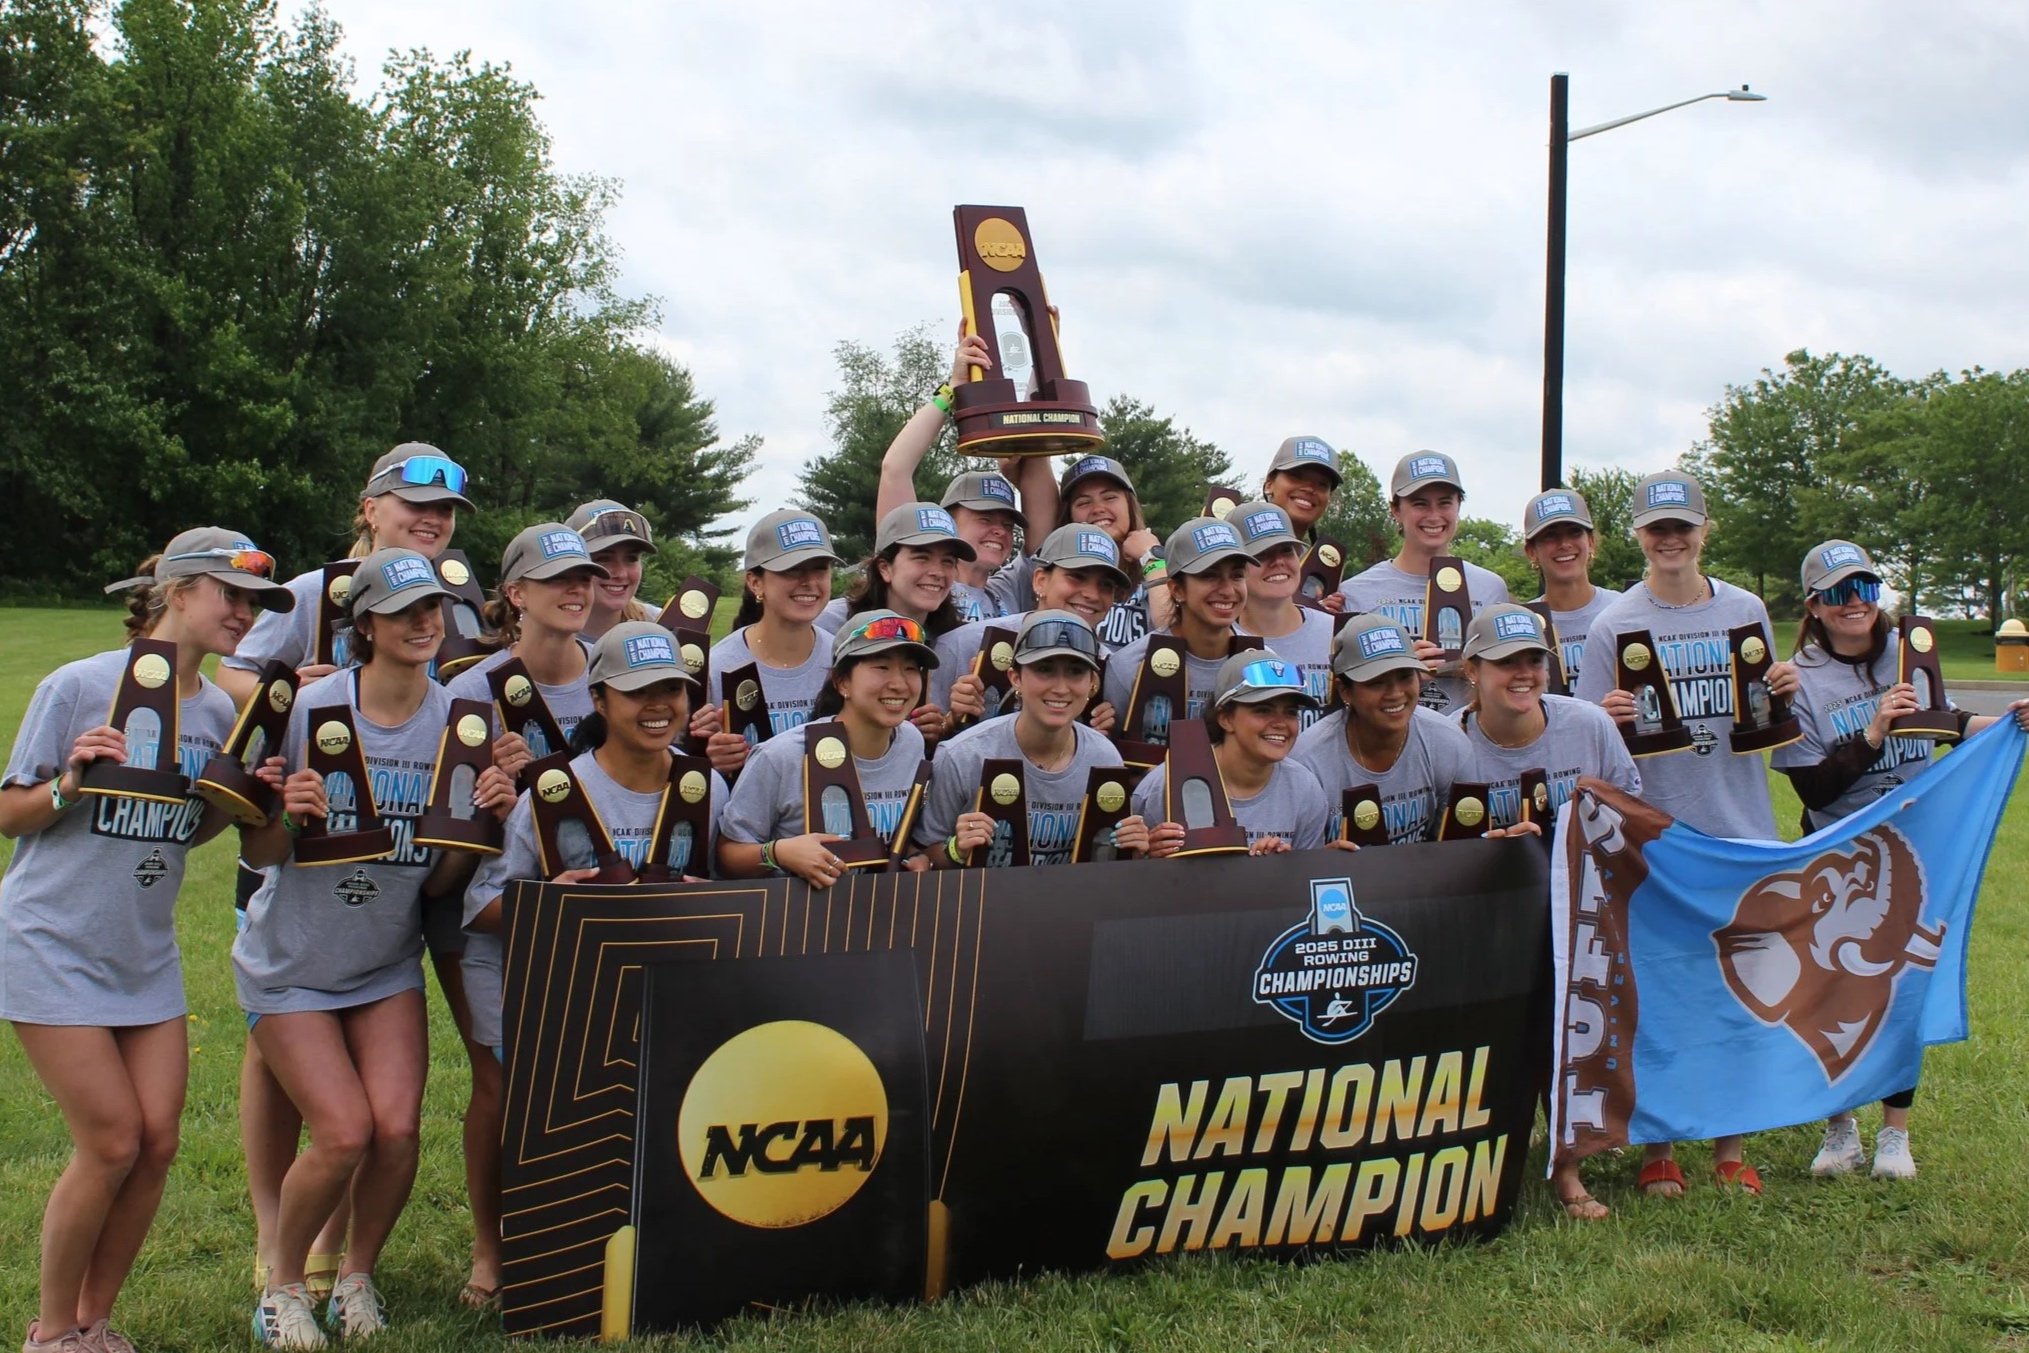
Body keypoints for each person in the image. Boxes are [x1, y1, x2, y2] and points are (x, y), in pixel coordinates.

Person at [2, 530, 291, 1353]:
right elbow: (10, 810)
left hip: (144, 955)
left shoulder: (220, 713)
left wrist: (245, 803)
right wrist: (68, 780)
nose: (244, 614)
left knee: (158, 1143)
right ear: (176, 592)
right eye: (229, 596)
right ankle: (52, 1333)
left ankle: (96, 1323)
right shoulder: (80, 685)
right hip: (50, 939)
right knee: (111, 1140)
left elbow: (185, 831)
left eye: (255, 604)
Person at [216, 443, 474, 1306]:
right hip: (302, 847)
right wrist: (295, 690)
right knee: (290, 1056)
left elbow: (466, 705)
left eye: (442, 510)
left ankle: (339, 1254)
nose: (429, 518)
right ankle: (275, 1239)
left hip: (399, 864)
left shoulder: (454, 603)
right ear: (370, 506)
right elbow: (236, 678)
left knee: (385, 1115)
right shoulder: (310, 591)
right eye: (411, 503)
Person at [459, 622, 719, 1303]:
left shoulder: (700, 784)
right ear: (600, 699)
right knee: (523, 1108)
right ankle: (493, 1250)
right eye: (638, 692)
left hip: (652, 986)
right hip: (549, 986)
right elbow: (479, 906)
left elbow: (723, 885)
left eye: (672, 689)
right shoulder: (551, 789)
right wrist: (547, 902)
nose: (658, 705)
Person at [1572, 469, 1801, 1198]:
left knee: (1736, 990)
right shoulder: (1615, 624)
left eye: (1682, 525)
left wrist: (1785, 693)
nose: (1670, 538)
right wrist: (1604, 716)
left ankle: (1730, 1145)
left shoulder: (1744, 608)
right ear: (1638, 536)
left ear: (1704, 531)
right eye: (1655, 527)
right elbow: (1586, 742)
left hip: (1740, 829)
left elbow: (1766, 713)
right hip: (1658, 839)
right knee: (1660, 996)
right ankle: (1658, 1147)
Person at [1774, 539, 2029, 1182]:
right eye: (1836, 592)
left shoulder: (1908, 652)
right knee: (1829, 987)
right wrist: (1875, 731)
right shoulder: (1799, 676)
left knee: (1903, 986)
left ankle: (1895, 1135)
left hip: (1915, 848)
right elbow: (1814, 788)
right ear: (1814, 606)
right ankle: (1839, 1128)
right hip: (1837, 856)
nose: (1853, 602)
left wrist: (2009, 722)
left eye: (1863, 586)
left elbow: (1947, 719)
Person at [439, 521, 606, 1303]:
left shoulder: (613, 671)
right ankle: (489, 1243)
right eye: (556, 580)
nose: (577, 590)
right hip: (497, 909)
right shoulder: (472, 691)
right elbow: (446, 822)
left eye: (584, 577)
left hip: (602, 910)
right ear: (515, 595)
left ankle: (581, 1225)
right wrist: (489, 797)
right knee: (501, 1083)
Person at [1453, 603, 1640, 1221]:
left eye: (1534, 660)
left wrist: (1568, 831)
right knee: (1503, 1041)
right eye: (1506, 663)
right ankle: (1480, 1161)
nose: (1523, 674)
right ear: (1472, 671)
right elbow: (1433, 836)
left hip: (1576, 912)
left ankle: (1569, 1168)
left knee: (1571, 1034)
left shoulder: (1586, 726)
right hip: (1487, 921)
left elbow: (1630, 813)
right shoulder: (1446, 740)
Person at [717, 611, 936, 886]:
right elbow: (727, 857)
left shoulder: (911, 742)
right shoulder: (781, 757)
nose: (899, 683)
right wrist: (778, 852)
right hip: (793, 920)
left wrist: (916, 857)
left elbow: (901, 838)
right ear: (842, 682)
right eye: (881, 667)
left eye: (911, 669)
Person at [918, 611, 1152, 868]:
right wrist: (955, 850)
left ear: (1092, 684)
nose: (1061, 688)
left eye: (1075, 672)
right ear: (1015, 678)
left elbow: (1104, 861)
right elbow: (921, 854)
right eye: (1044, 670)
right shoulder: (962, 755)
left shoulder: (1104, 757)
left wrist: (1132, 851)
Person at [871, 325, 1049, 623]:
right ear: (949, 523)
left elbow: (1037, 477)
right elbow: (895, 469)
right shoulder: (924, 584)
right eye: (984, 518)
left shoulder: (1010, 589)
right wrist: (953, 388)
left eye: (1007, 523)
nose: (999, 531)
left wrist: (1042, 346)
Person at [1336, 451, 1511, 716]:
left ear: (1458, 506)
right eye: (1420, 504)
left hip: (1473, 735)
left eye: (1445, 503)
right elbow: (1346, 687)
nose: (1434, 515)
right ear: (1395, 509)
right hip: (1391, 740)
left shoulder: (1490, 588)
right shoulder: (1356, 592)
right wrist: (1402, 669)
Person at [1291, 615, 1472, 845]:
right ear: (1345, 691)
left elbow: (1457, 847)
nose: (1395, 693)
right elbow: (1299, 863)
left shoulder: (1447, 742)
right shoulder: (1309, 760)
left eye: (1405, 676)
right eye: (1377, 681)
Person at [928, 524, 1131, 720]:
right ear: (1040, 580)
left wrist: (1103, 734)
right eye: (1076, 577)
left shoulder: (1110, 667)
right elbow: (921, 739)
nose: (1092, 594)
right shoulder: (964, 644)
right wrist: (950, 721)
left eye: (1106, 585)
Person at [1137, 650, 1330, 856]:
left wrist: (1282, 868)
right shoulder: (1164, 785)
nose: (1281, 723)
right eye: (1263, 710)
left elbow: (1305, 880)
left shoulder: (1305, 789)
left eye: (1291, 712)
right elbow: (1130, 873)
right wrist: (1146, 858)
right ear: (1226, 719)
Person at [813, 504, 974, 750]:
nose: (937, 572)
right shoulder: (831, 624)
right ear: (885, 568)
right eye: (922, 557)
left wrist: (947, 725)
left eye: (948, 561)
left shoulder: (957, 639)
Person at [703, 510, 842, 777]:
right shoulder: (718, 667)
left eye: (820, 569)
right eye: (792, 570)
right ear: (755, 582)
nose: (809, 582)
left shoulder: (845, 659)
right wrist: (709, 759)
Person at [988, 455, 1161, 652]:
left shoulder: (1157, 565)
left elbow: (1170, 629)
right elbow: (1041, 488)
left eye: (1110, 497)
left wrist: (1151, 558)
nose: (1098, 509)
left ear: (1130, 504)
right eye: (1083, 502)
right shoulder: (1051, 562)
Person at [1103, 517, 1256, 736]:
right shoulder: (1129, 666)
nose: (1227, 590)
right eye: (1209, 576)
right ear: (1176, 590)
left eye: (1237, 576)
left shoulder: (1262, 663)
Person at [1231, 501, 1337, 724]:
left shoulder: (1337, 633)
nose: (1278, 562)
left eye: (1287, 550)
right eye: (1262, 554)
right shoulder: (1221, 641)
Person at [1521, 489, 1620, 686]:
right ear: (1532, 552)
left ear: (1590, 542)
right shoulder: (1523, 622)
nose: (1564, 544)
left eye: (1574, 532)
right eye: (1550, 536)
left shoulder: (1622, 609)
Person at [565, 499, 661, 639]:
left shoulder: (664, 626)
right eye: (603, 559)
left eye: (631, 558)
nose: (621, 573)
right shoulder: (539, 636)